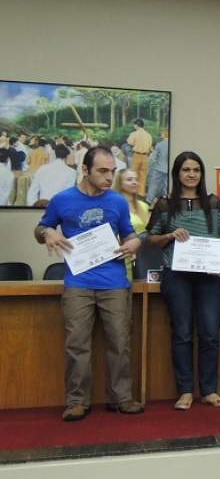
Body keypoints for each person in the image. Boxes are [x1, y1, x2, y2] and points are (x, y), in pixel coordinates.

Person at [34, 146, 144, 421]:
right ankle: (76, 401)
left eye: (113, 172)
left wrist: (133, 243)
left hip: (114, 281)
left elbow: (130, 235)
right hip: (78, 282)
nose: (109, 177)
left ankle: (122, 398)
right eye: (103, 171)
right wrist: (47, 232)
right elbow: (40, 228)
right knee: (76, 343)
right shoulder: (62, 200)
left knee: (120, 342)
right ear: (84, 170)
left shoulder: (117, 202)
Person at [147, 151, 220, 410]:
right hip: (176, 275)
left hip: (209, 276)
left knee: (210, 334)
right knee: (182, 333)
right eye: (186, 170)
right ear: (177, 174)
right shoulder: (164, 204)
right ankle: (185, 391)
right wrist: (171, 235)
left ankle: (209, 390)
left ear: (201, 174)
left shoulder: (213, 202)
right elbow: (151, 238)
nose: (191, 174)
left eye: (196, 170)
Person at [113, 168, 150, 279]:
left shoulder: (144, 206)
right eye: (129, 179)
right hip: (124, 255)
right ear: (120, 183)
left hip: (144, 257)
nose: (134, 182)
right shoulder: (114, 205)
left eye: (136, 179)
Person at [126, 118, 153, 198]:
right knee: (143, 176)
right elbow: (150, 146)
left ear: (136, 125)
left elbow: (129, 142)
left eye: (134, 125)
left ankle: (133, 193)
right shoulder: (148, 135)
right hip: (145, 157)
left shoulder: (134, 134)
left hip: (137, 155)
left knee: (134, 175)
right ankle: (141, 194)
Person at [146, 131, 169, 203]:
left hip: (158, 168)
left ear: (165, 134)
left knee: (153, 185)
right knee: (166, 186)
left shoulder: (160, 144)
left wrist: (152, 166)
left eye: (162, 133)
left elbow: (153, 158)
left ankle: (149, 201)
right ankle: (166, 200)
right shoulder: (173, 144)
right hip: (168, 169)